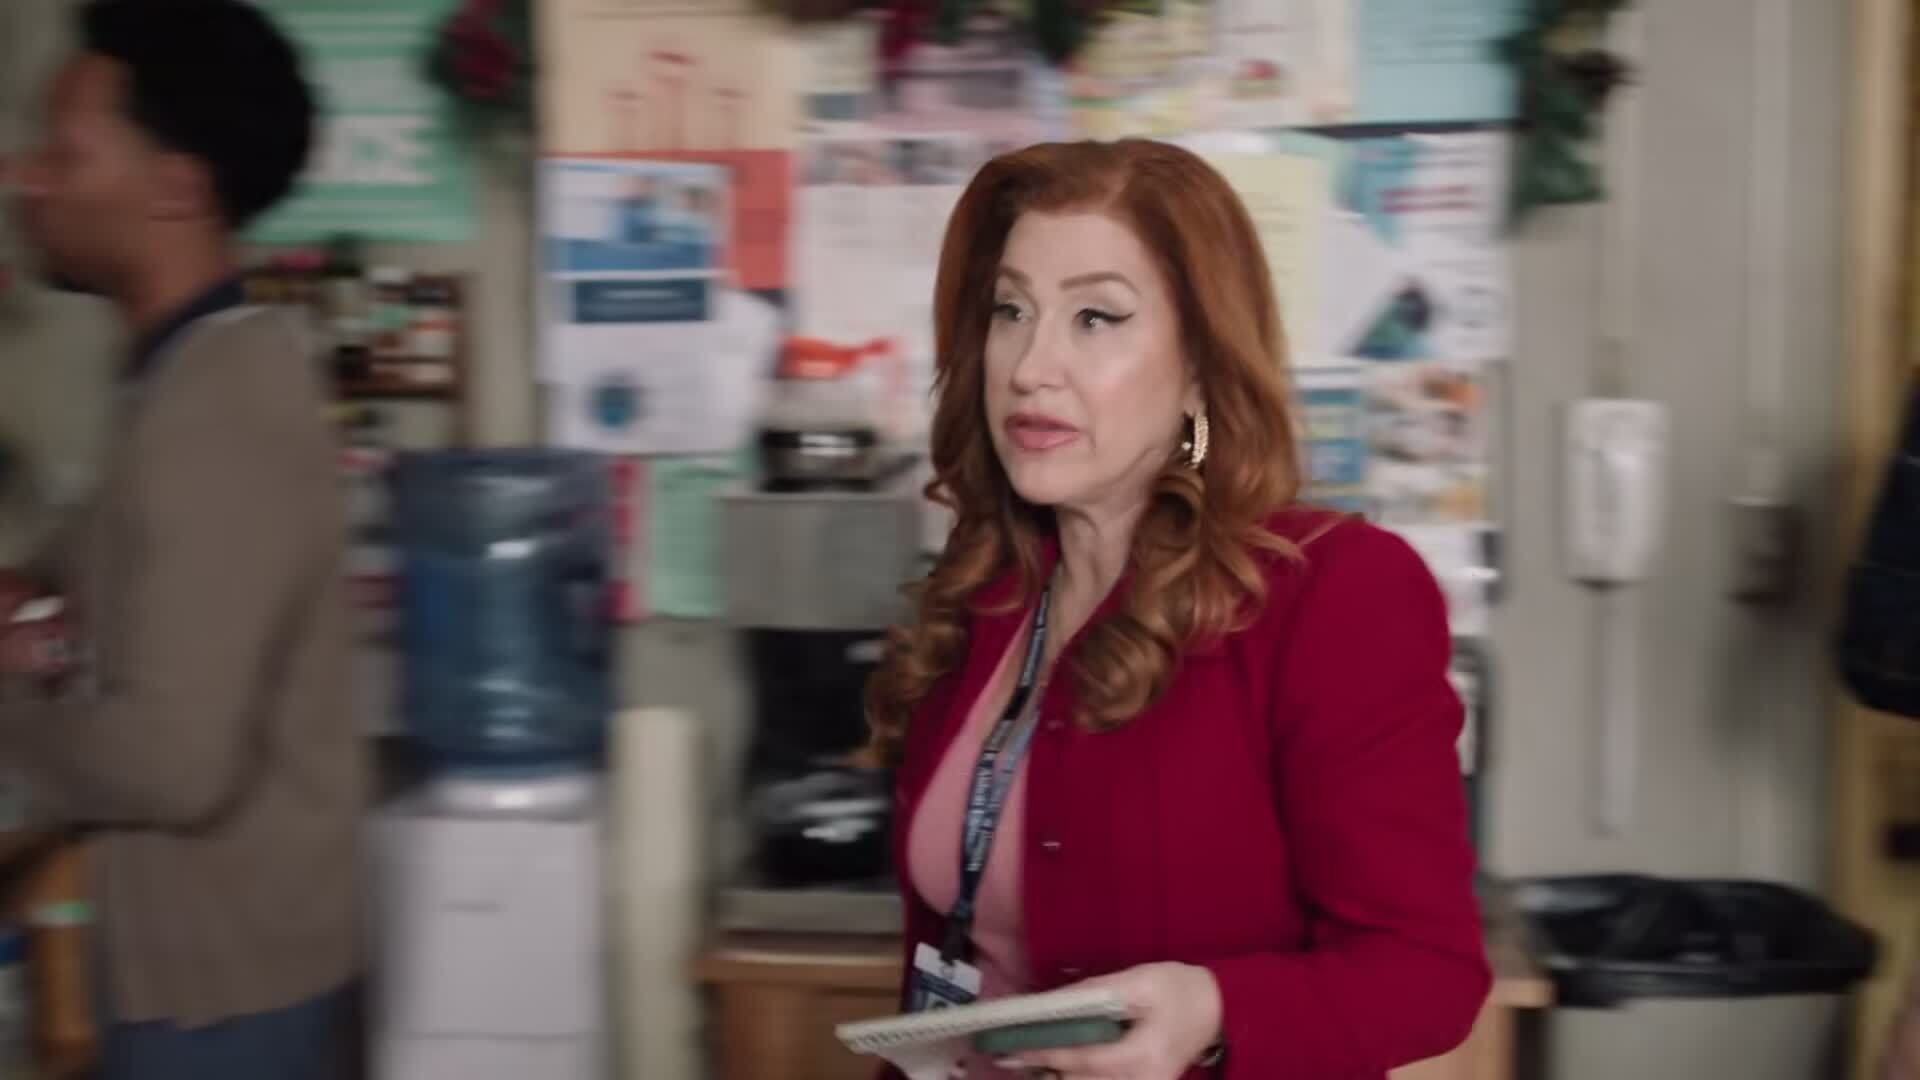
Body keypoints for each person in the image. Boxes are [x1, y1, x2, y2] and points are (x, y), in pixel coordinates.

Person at [866, 139, 1489, 1080]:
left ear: (1200, 363)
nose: (1031, 366)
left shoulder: (1332, 594)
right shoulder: (985, 593)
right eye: (1011, 310)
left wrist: (1216, 1011)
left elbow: (1428, 973)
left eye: (1096, 317)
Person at [0, 1, 362, 1076]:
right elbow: (95, 562)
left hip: (220, 1002)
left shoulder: (219, 410)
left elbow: (173, 765)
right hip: (202, 975)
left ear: (177, 188)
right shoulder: (176, 379)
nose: (26, 177)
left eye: (65, 151)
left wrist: (10, 707)